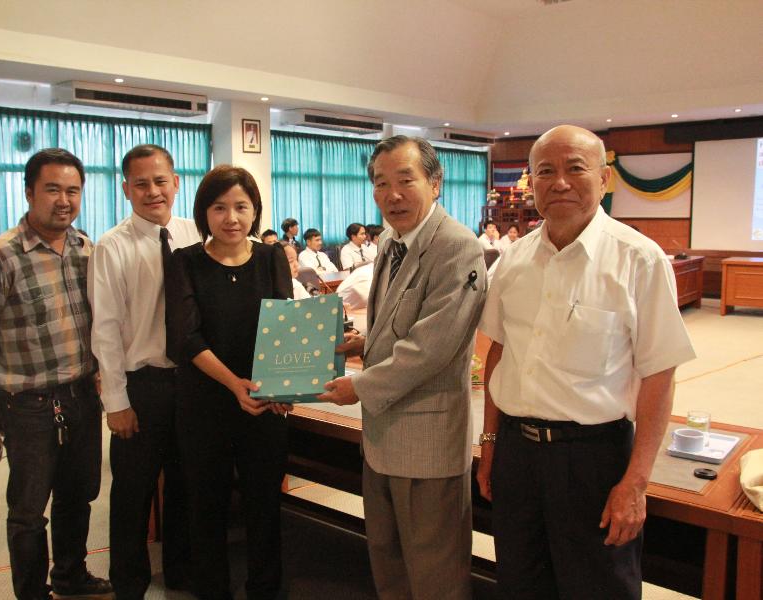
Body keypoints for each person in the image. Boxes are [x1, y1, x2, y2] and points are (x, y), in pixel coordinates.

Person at [476, 125, 696, 599]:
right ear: (531, 182)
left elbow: (659, 374)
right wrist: (490, 443)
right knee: (519, 582)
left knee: (597, 587)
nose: (559, 182)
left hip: (593, 460)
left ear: (604, 178)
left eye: (575, 168)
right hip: (517, 453)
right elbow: (499, 352)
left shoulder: (639, 259)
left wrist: (636, 483)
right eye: (545, 171)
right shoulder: (513, 260)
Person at [319, 136, 486, 599]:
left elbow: (432, 347)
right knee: (389, 563)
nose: (391, 194)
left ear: (435, 182)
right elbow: (398, 323)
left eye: (405, 180)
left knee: (435, 574)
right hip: (381, 438)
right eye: (380, 183)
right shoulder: (391, 240)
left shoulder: (457, 246)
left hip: (428, 443)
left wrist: (359, 386)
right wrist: (365, 342)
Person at [0, 148, 112, 600]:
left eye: (73, 191)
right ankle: (31, 592)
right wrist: (14, 379)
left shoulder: (86, 250)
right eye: (52, 190)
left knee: (77, 495)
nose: (64, 200)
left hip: (83, 395)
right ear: (29, 192)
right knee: (28, 510)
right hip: (29, 406)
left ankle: (70, 576)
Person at [165, 165, 293, 600]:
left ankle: (265, 590)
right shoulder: (185, 261)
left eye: (241, 206)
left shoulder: (272, 258)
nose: (231, 218)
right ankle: (212, 590)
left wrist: (283, 383)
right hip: (205, 403)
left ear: (255, 211)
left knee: (264, 505)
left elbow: (285, 328)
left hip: (264, 402)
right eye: (219, 208)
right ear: (204, 212)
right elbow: (185, 338)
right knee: (207, 507)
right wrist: (234, 384)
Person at [88, 144, 198, 599]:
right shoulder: (111, 246)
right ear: (125, 189)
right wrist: (116, 402)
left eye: (160, 181)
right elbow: (105, 331)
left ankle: (181, 572)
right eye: (141, 184)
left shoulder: (195, 233)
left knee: (185, 484)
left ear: (176, 183)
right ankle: (129, 583)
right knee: (132, 491)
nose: (152, 191)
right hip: (143, 385)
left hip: (192, 382)